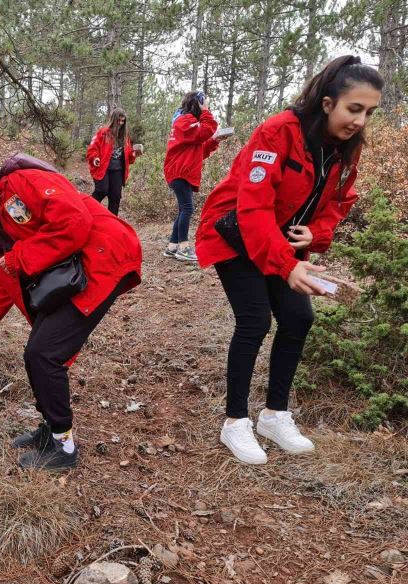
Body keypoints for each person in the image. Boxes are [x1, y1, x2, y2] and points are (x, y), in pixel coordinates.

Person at [195, 56, 383, 464]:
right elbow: (254, 208)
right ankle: (235, 422)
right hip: (235, 231)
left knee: (299, 318)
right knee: (255, 320)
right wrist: (287, 264)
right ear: (329, 102)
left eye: (369, 112)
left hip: (282, 241)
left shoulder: (346, 149)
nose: (360, 121)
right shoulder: (278, 132)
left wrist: (318, 233)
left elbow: (339, 200)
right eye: (355, 109)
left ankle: (275, 415)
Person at [0, 144, 142, 470]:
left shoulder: (17, 184)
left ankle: (64, 448)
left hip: (104, 256)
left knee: (44, 353)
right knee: (39, 352)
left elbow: (75, 222)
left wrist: (20, 258)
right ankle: (51, 431)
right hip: (80, 268)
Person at [163, 91, 230, 262]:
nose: (206, 107)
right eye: (204, 103)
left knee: (183, 209)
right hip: (180, 172)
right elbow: (205, 130)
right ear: (198, 104)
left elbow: (198, 149)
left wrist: (215, 140)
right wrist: (206, 112)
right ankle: (184, 247)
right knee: (187, 209)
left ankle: (172, 246)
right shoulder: (185, 121)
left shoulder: (187, 124)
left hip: (181, 171)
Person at [87, 108, 143, 216]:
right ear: (114, 120)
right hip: (103, 168)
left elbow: (128, 155)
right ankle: (87, 210)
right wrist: (95, 158)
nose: (121, 123)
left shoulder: (124, 137)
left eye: (123, 121)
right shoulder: (103, 133)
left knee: (115, 196)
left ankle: (111, 222)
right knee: (102, 190)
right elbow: (92, 148)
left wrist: (134, 154)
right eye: (119, 121)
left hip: (118, 170)